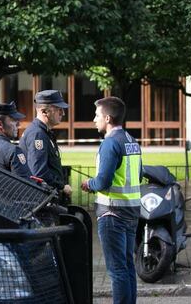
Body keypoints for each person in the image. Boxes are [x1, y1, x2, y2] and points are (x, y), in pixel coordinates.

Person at [80, 97, 142, 304]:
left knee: (116, 270)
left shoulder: (109, 144)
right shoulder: (132, 141)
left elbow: (103, 181)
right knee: (127, 265)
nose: (94, 119)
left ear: (107, 118)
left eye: (97, 115)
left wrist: (89, 183)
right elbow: (139, 175)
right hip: (132, 211)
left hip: (112, 213)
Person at [19, 90, 72, 200]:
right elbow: (38, 172)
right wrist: (62, 186)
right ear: (44, 112)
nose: (63, 113)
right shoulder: (37, 134)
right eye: (58, 109)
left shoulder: (43, 132)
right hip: (40, 199)